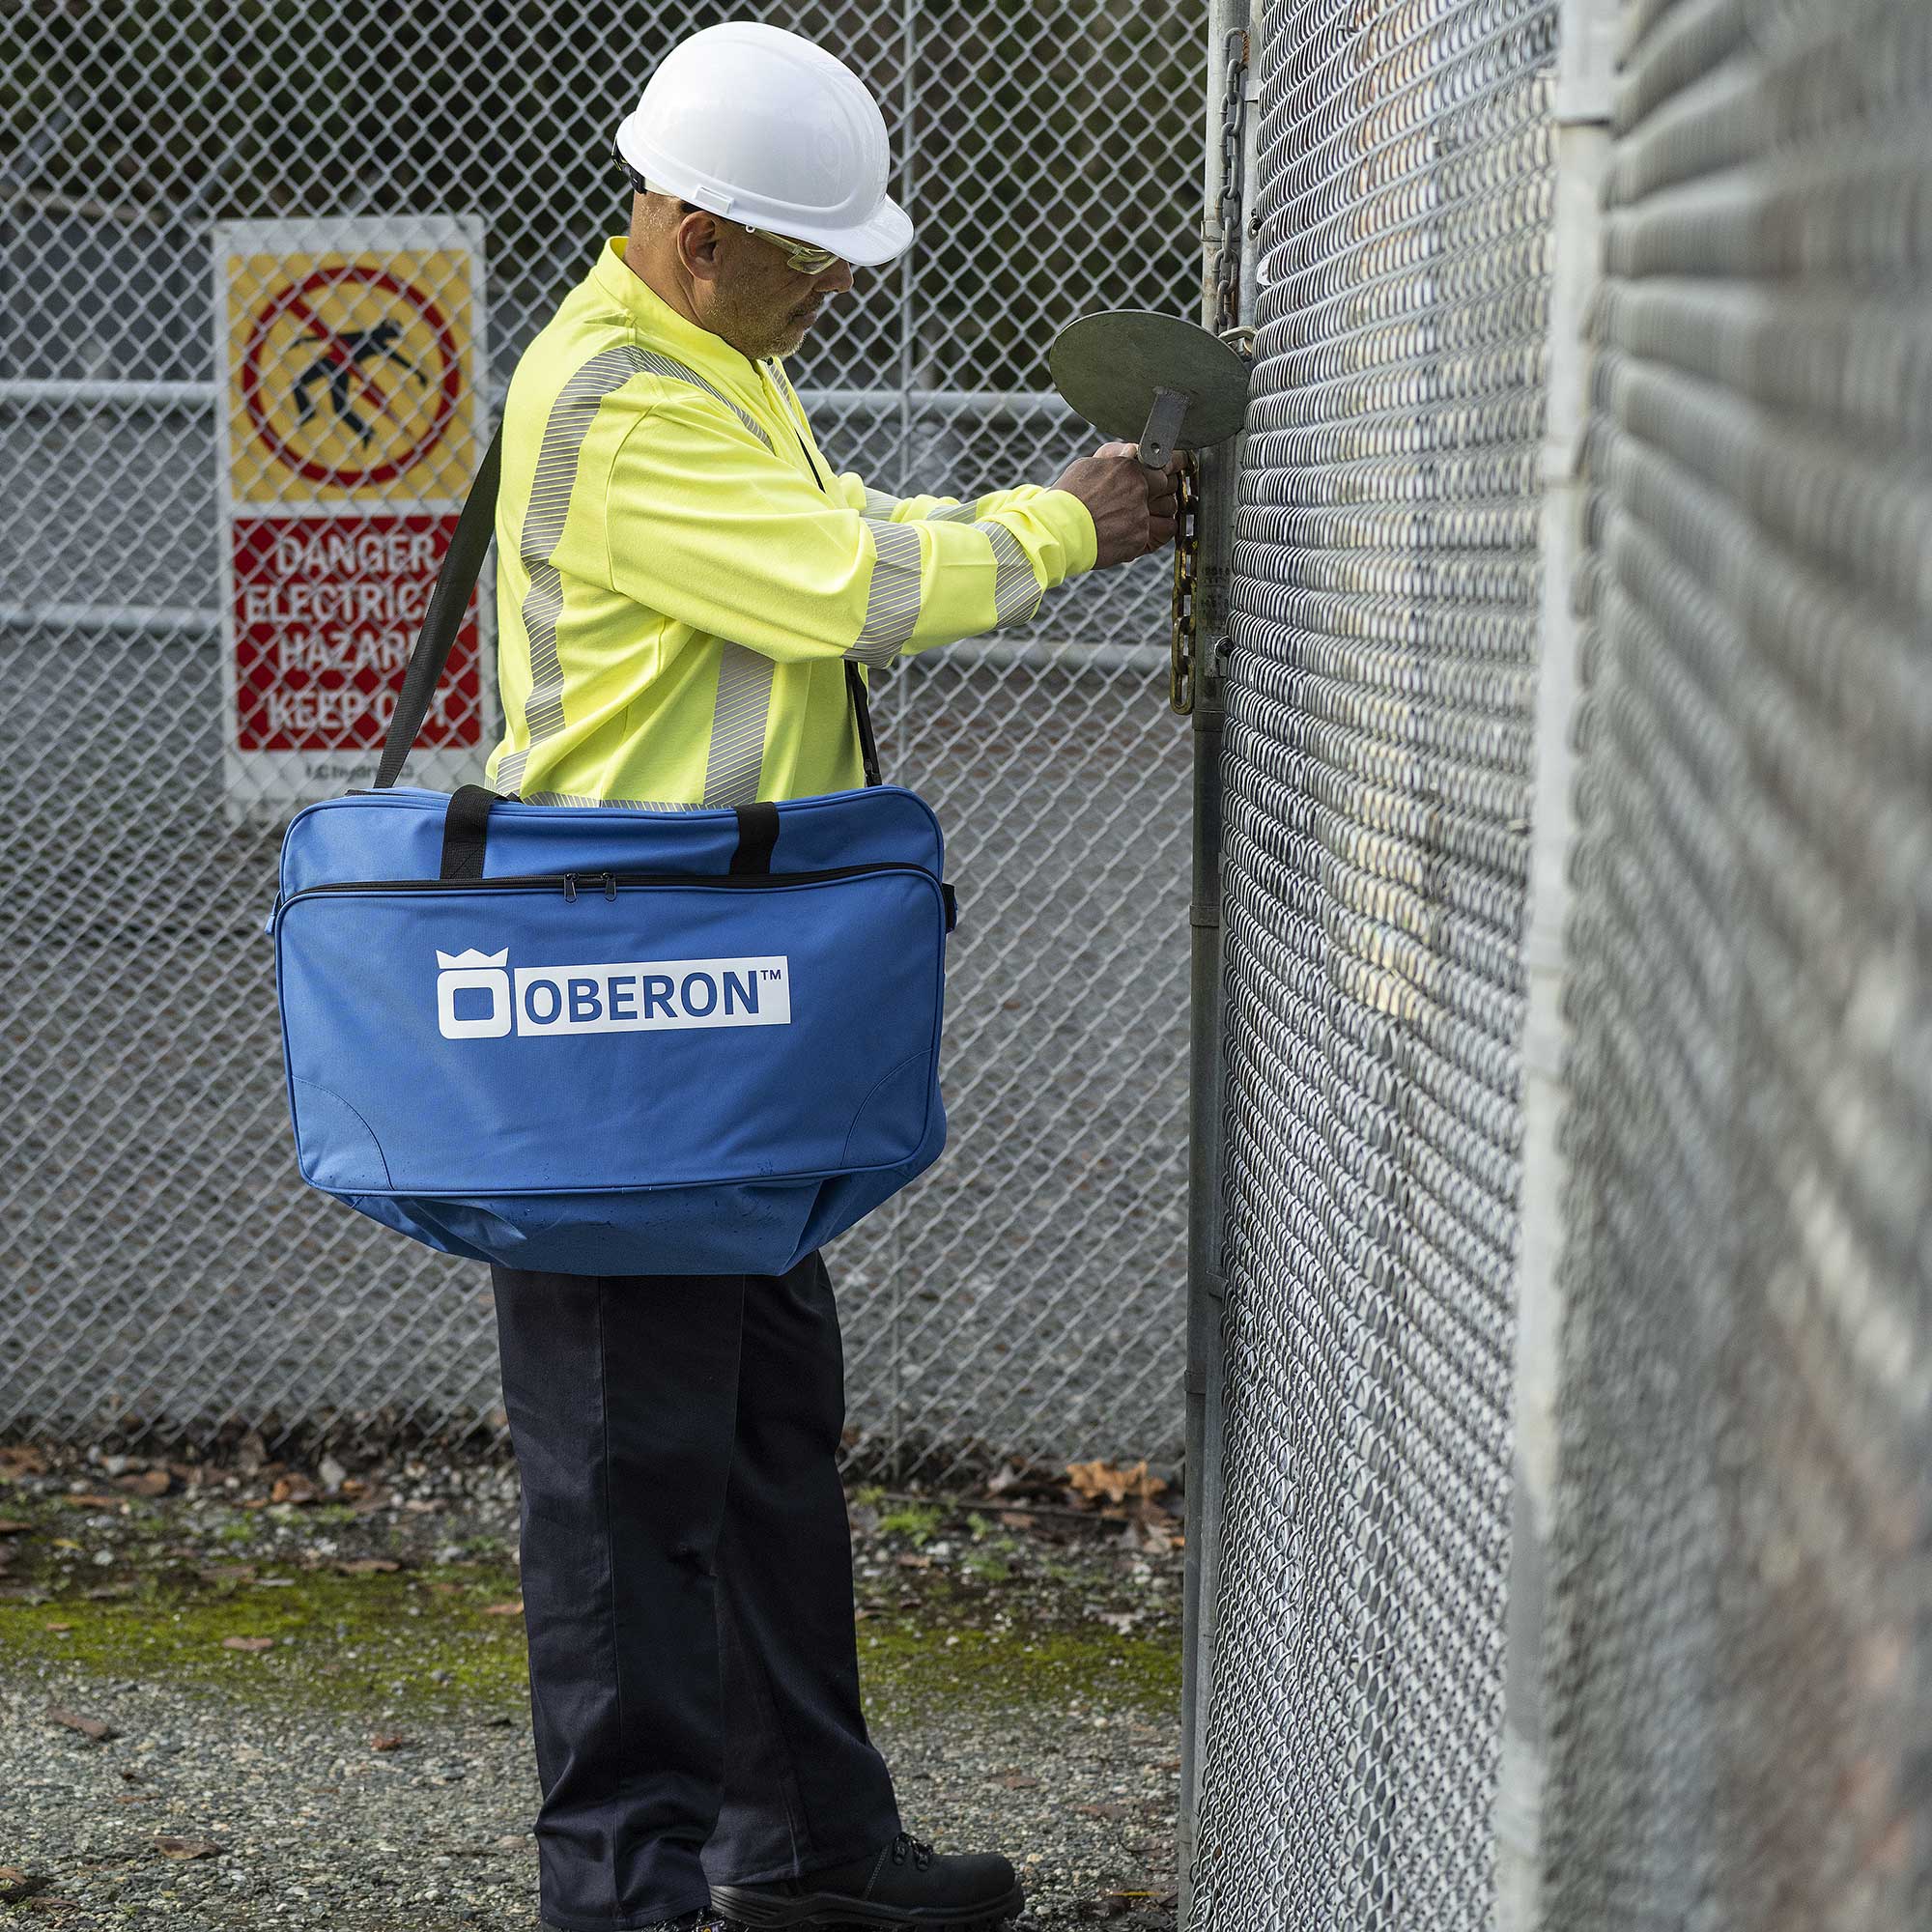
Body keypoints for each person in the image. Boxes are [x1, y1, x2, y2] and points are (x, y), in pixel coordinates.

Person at [483, 21, 1177, 1932]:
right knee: (627, 1488)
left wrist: (1030, 514)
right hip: (617, 1016)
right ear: (699, 230)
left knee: (767, 1436)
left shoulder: (706, 364)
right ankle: (624, 1897)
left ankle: (807, 1853)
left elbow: (837, 543)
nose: (829, 296)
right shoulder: (621, 396)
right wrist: (1070, 524)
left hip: (714, 1010)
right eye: (807, 262)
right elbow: (834, 582)